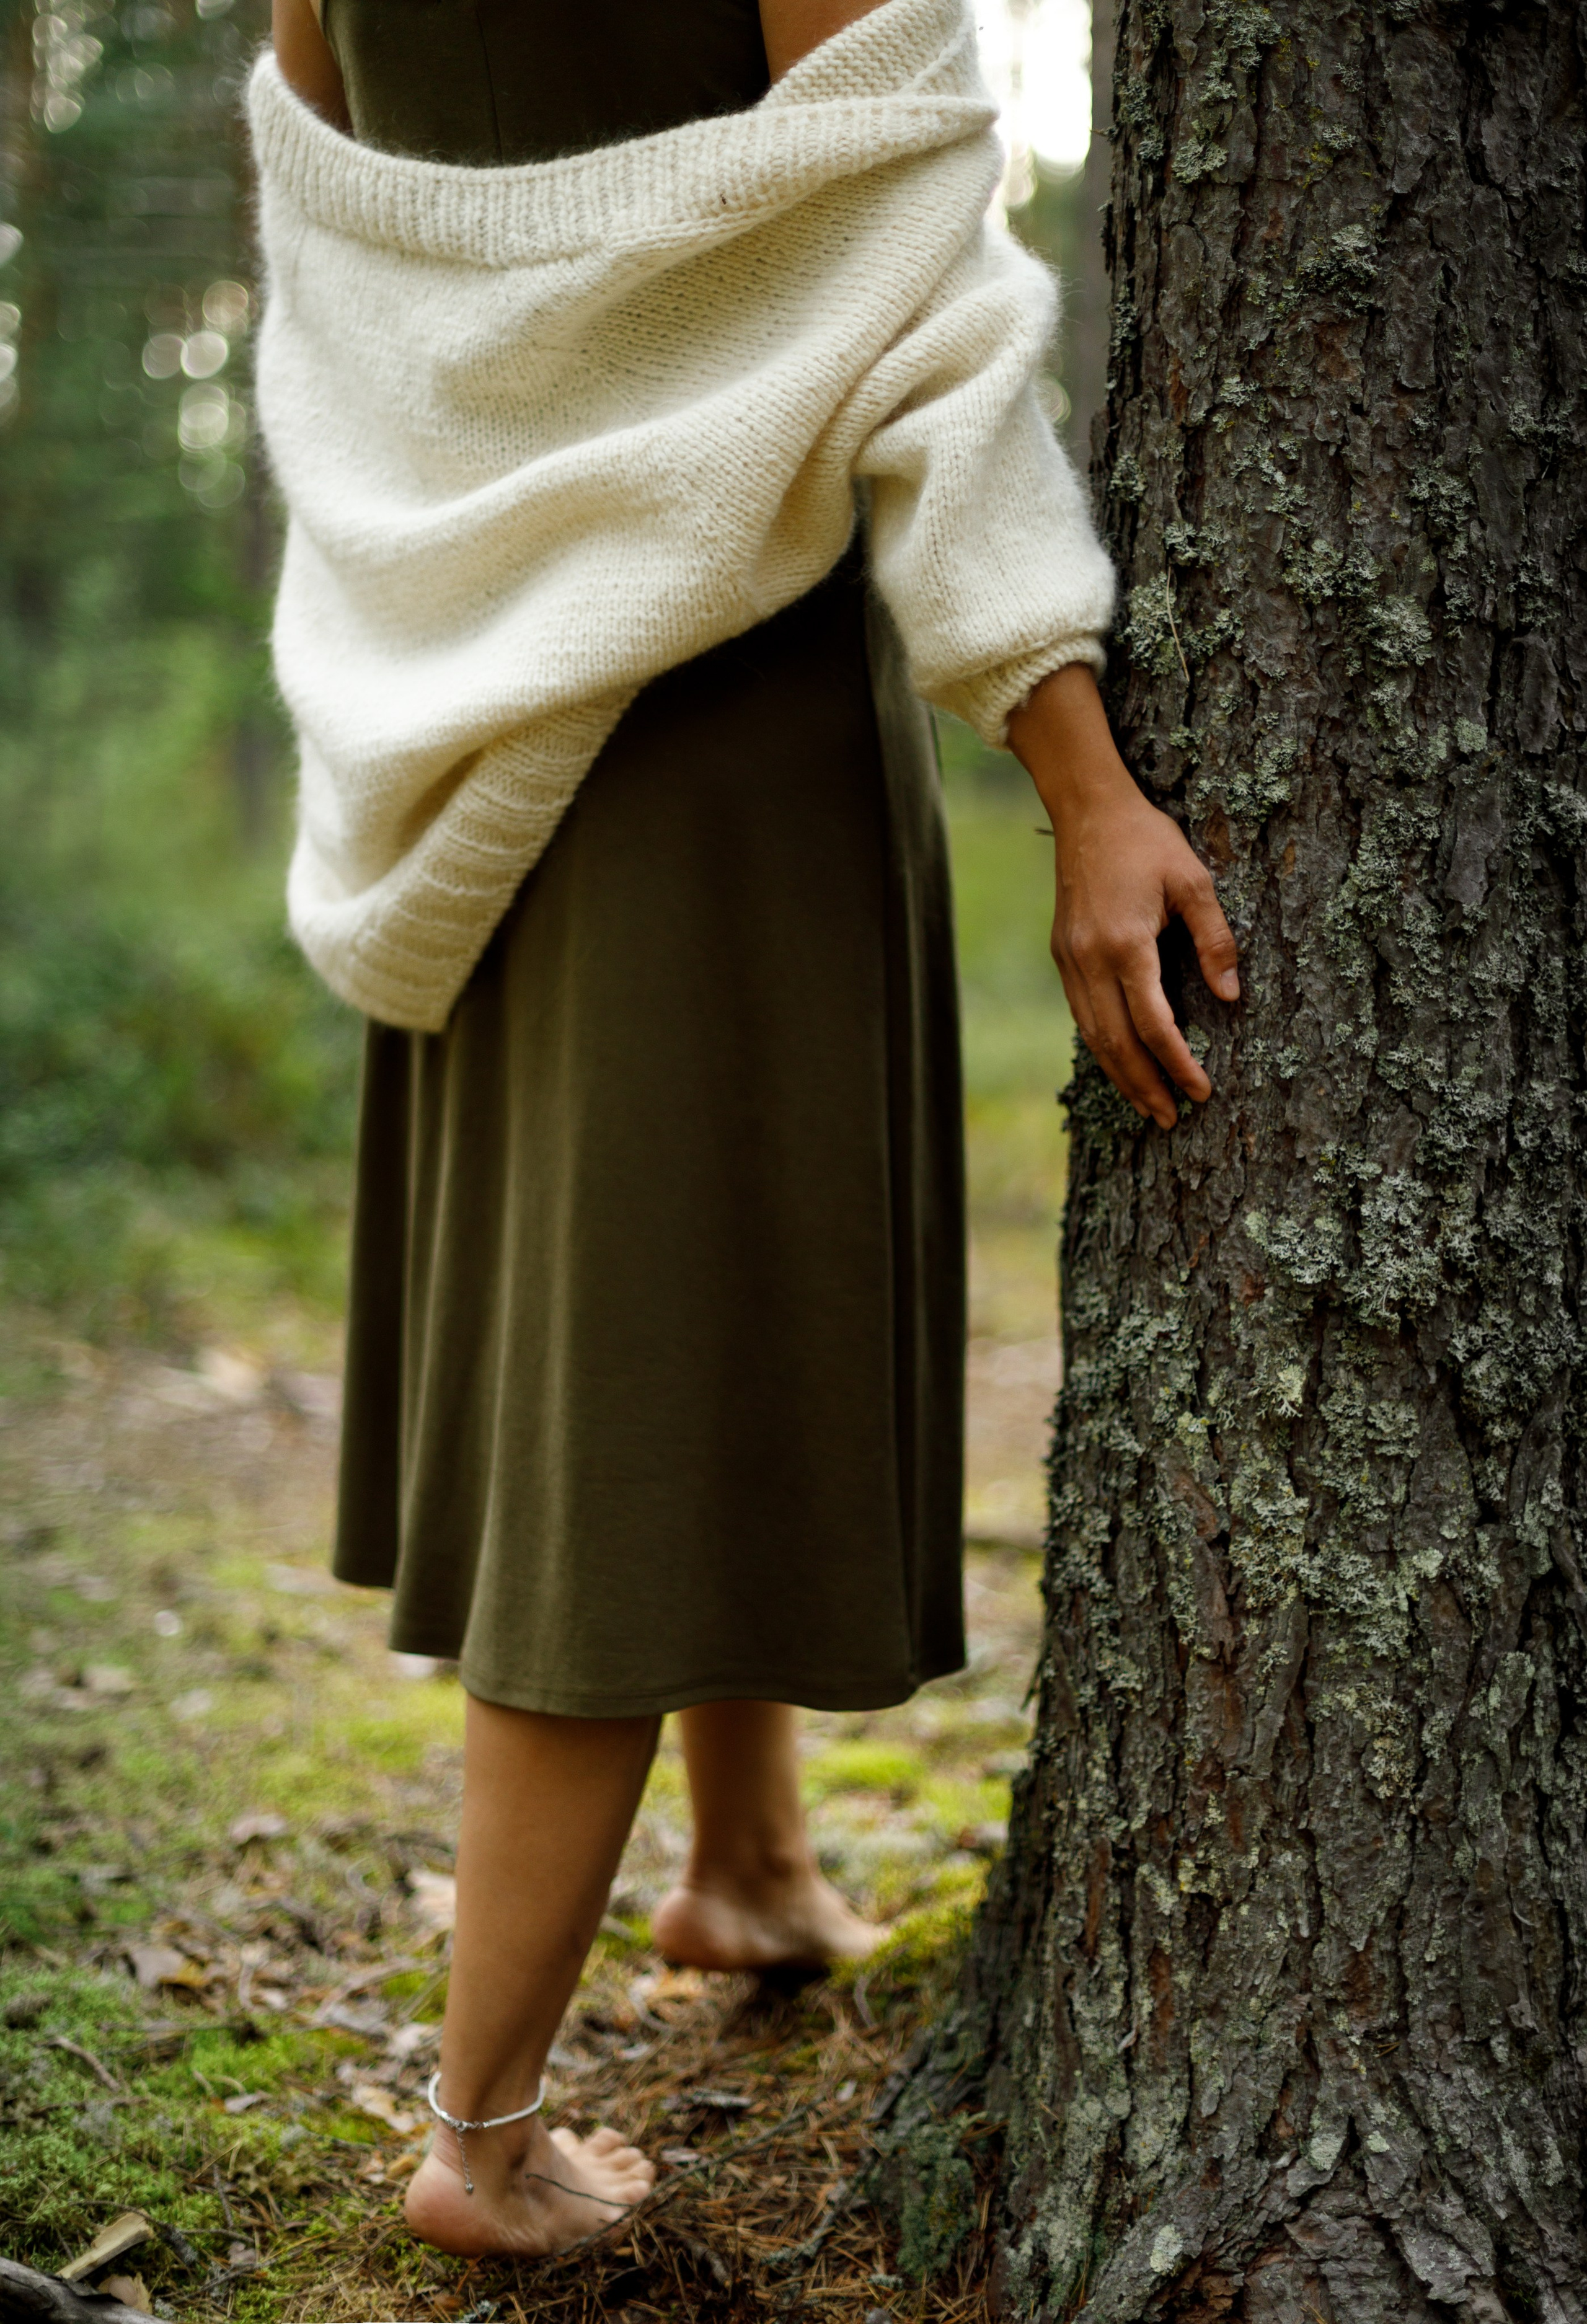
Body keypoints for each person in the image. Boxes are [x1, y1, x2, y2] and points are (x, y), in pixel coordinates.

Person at [262, 0, 1239, 2261]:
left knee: (645, 1318)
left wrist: (461, 570)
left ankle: (752, 1864)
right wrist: (1085, 782)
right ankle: (484, 2144)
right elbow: (929, 332)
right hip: (715, 741)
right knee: (634, 1406)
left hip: (492, 716)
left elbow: (355, 246)